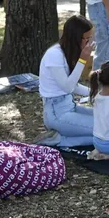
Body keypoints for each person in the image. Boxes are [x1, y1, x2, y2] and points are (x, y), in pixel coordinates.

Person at [37, 15, 96, 147]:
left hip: (69, 106)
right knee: (105, 131)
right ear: (75, 38)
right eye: (86, 39)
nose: (89, 43)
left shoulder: (68, 52)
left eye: (90, 38)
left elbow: (74, 86)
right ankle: (58, 140)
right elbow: (67, 87)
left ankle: (64, 135)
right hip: (57, 113)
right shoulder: (54, 54)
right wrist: (82, 60)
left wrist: (97, 92)